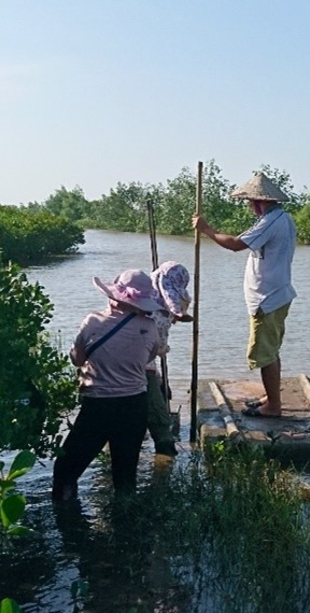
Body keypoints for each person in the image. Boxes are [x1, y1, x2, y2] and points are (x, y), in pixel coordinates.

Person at [52, 269, 163, 501]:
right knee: (125, 478)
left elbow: (77, 360)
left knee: (66, 469)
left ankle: (67, 524)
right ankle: (125, 527)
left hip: (97, 406)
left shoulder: (92, 321)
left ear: (114, 297)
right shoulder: (150, 328)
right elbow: (149, 357)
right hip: (134, 406)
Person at [192, 172, 296, 418]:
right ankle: (271, 398)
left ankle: (273, 407)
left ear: (261, 201)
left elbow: (236, 244)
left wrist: (207, 230)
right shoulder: (279, 219)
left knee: (264, 354)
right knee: (271, 350)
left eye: (251, 202)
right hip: (275, 294)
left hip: (268, 297)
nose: (250, 207)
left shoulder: (272, 220)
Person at [146, 261, 192, 457]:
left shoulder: (142, 297)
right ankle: (165, 462)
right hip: (138, 368)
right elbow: (158, 349)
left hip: (109, 369)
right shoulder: (161, 316)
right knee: (161, 423)